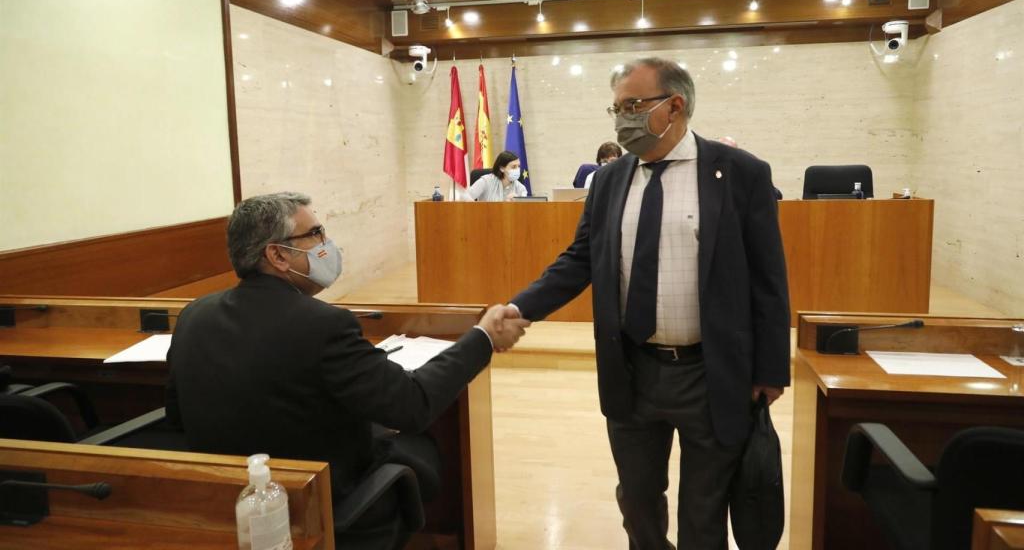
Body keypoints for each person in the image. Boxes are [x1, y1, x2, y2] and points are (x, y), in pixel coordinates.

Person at [503, 58, 791, 549]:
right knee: (636, 502)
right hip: (632, 370)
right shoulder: (609, 180)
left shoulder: (740, 173)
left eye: (631, 106)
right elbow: (580, 259)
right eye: (615, 108)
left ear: (674, 106)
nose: (621, 119)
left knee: (703, 512)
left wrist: (770, 370)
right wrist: (519, 309)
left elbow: (769, 279)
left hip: (711, 372)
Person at [166, 192, 529, 544]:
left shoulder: (194, 315)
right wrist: (483, 336)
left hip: (225, 505)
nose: (327, 243)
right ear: (277, 255)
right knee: (419, 442)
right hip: (321, 508)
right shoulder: (324, 325)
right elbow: (413, 404)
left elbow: (177, 416)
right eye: (315, 234)